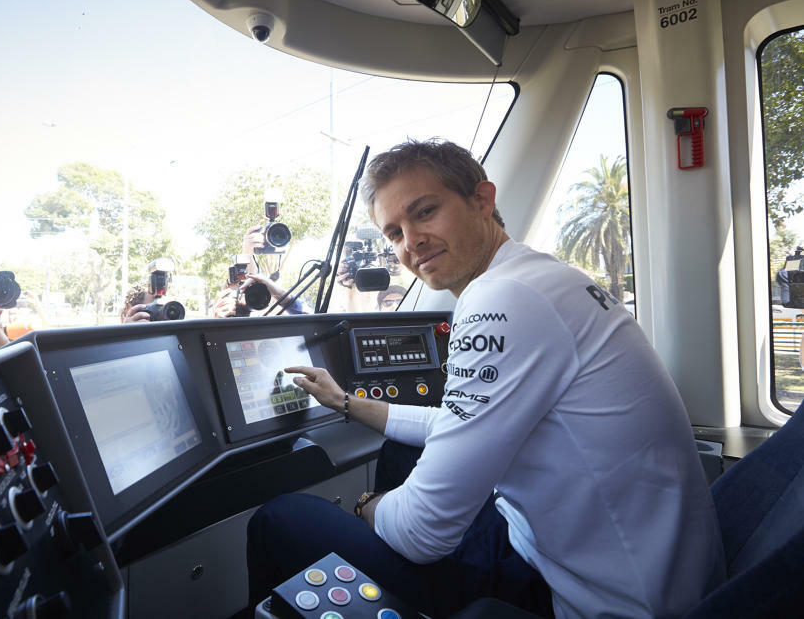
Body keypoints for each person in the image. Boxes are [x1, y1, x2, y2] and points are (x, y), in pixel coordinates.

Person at [247, 139, 725, 618]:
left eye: (425, 212)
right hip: (633, 565)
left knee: (281, 518)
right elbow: (459, 423)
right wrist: (348, 403)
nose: (410, 242)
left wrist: (366, 506)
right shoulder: (543, 278)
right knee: (400, 451)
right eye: (394, 232)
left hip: (596, 600)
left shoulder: (501, 299)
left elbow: (421, 533)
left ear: (482, 199)